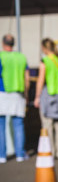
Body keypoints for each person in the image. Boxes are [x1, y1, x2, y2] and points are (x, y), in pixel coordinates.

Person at [34, 38, 58, 159]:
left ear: (44, 48)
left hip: (49, 95)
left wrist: (37, 97)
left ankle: (51, 152)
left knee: (47, 124)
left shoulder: (45, 61)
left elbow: (41, 80)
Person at [0, 34, 30, 163]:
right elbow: (27, 79)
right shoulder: (21, 57)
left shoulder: (1, 56)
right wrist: (27, 95)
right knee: (18, 125)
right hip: (18, 94)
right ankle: (19, 154)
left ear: (3, 43)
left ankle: (2, 155)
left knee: (1, 126)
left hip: (2, 92)